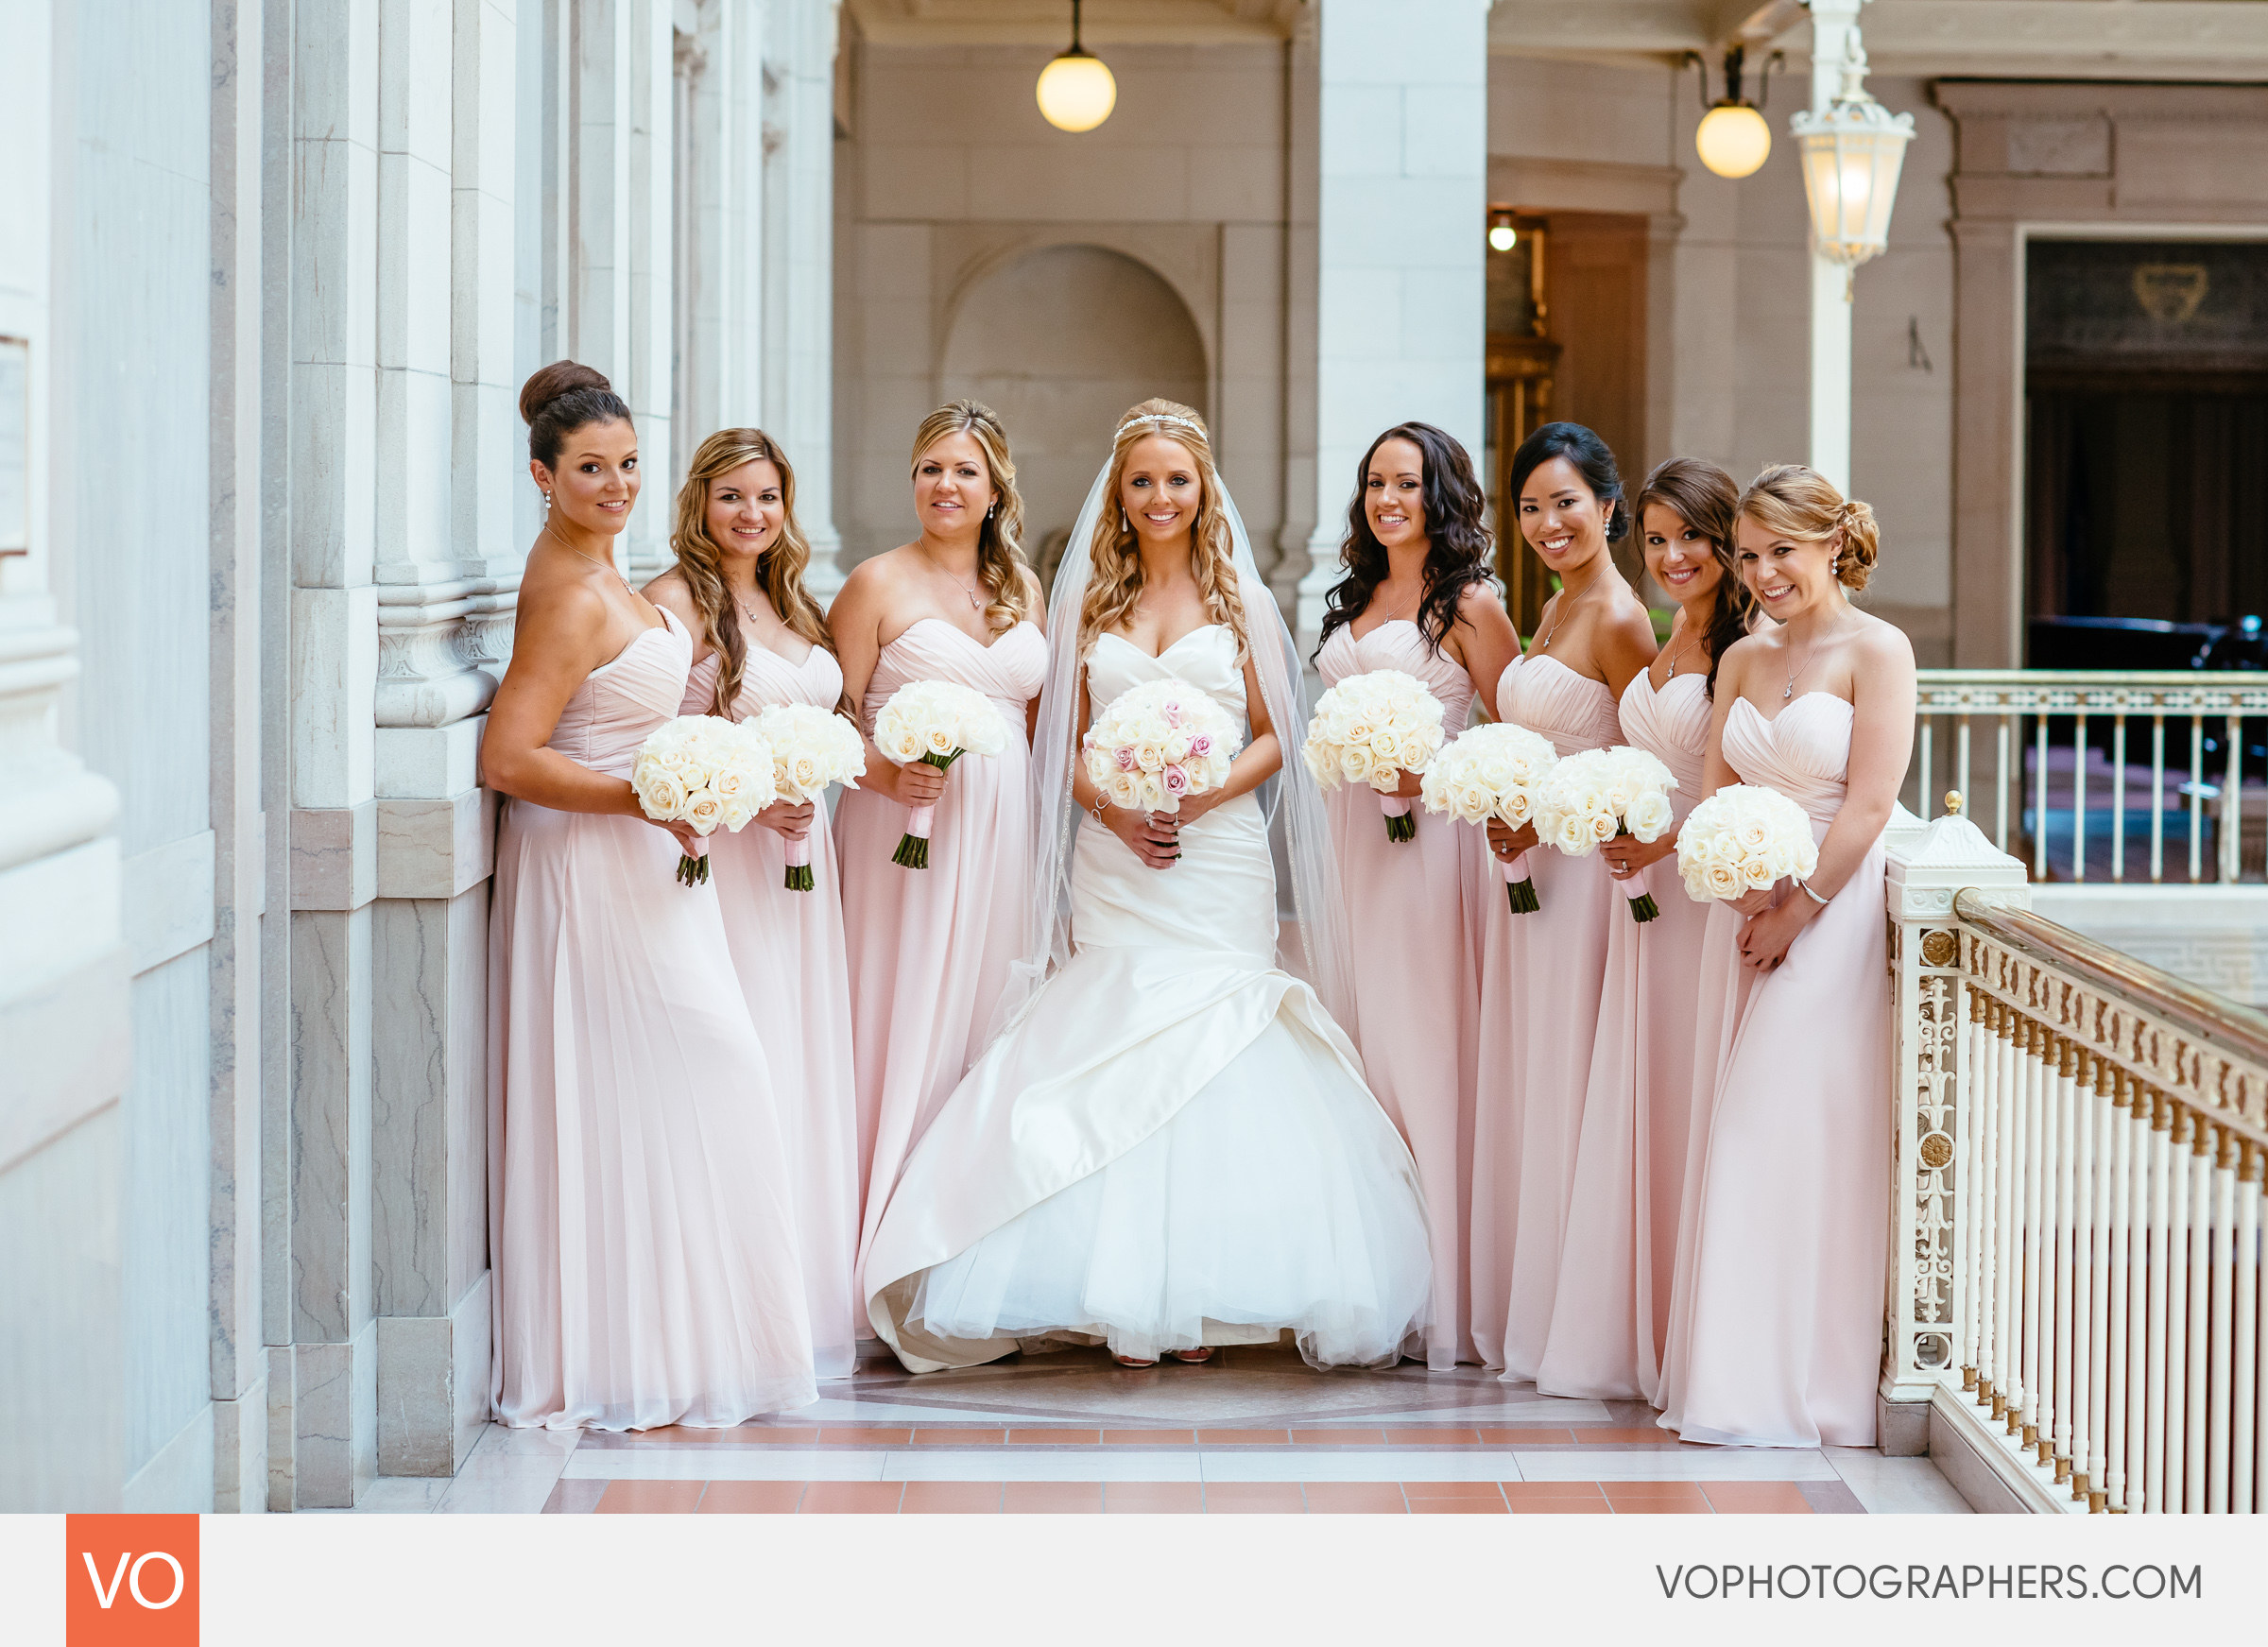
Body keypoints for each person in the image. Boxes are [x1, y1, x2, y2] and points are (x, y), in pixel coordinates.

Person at [861, 400, 1432, 1372]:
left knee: (1221, 1037)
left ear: (1203, 489)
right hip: (1117, 854)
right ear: (1118, 496)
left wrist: (1207, 795)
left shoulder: (1239, 600)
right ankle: (1108, 1291)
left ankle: (1208, 1296)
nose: (1160, 497)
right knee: (1111, 1029)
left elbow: (1275, 733)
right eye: (1141, 481)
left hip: (1218, 856)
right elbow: (1058, 743)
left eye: (1177, 479)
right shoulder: (1089, 601)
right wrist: (1116, 809)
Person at [483, 363, 816, 1428]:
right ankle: (624, 1352)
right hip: (589, 867)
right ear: (543, 476)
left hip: (655, 865)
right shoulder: (568, 594)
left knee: (680, 1092)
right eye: (591, 468)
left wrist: (718, 783)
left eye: (628, 465)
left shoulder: (609, 573)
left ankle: (664, 1351)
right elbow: (509, 757)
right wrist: (643, 796)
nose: (617, 484)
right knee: (709, 1072)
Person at [1656, 464, 1916, 1448]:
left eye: (1783, 554)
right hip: (1748, 915)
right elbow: (1717, 790)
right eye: (1751, 556)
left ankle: (1808, 1387)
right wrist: (1734, 886)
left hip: (1830, 914)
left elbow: (1871, 803)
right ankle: (1736, 1382)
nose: (1764, 574)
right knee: (1751, 1139)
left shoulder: (1877, 650)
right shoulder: (1743, 662)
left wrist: (1798, 907)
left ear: (1833, 546)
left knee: (1785, 1135)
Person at [1533, 457, 1755, 1400]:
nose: (1672, 556)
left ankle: (1698, 1331)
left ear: (1728, 543)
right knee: (1643, 1092)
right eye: (1658, 540)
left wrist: (1666, 843)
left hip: (1699, 896)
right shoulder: (1663, 641)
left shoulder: (1746, 652)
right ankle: (1639, 1324)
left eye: (1691, 538)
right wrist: (1610, 820)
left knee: (1691, 1091)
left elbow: (1744, 783)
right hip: (1642, 899)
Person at [644, 427, 861, 1381]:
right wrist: (744, 799)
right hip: (730, 862)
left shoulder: (792, 600)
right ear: (700, 503)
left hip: (805, 869)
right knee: (745, 1064)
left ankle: (799, 1295)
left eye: (767, 497)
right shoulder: (673, 606)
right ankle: (728, 1306)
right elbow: (653, 748)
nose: (751, 514)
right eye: (732, 496)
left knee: (801, 1058)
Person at [830, 402, 1048, 1302]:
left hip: (1002, 836)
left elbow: (1036, 719)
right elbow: (831, 712)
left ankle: (963, 1248)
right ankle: (876, 1242)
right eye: (929, 469)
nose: (944, 487)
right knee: (903, 1004)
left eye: (963, 471)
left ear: (995, 487)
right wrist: (884, 777)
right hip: (901, 837)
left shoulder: (1024, 589)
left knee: (983, 1013)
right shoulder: (875, 583)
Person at [1314, 422, 1519, 1370]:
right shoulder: (1355, 598)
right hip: (1357, 840)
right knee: (1361, 1044)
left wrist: (1422, 769)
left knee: (1425, 1042)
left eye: (1405, 483)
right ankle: (1374, 1271)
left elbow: (1513, 742)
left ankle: (1446, 1290)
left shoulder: (1470, 603)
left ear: (1441, 494)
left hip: (1433, 847)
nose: (1386, 500)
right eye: (1374, 484)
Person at [1470, 421, 1657, 1381]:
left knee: (1569, 1070)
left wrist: (1551, 822)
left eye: (1566, 503)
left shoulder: (1619, 617)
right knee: (1537, 1066)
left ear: (1610, 508)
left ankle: (1581, 1325)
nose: (1548, 523)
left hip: (1582, 875)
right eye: (1532, 507)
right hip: (1534, 862)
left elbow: (1643, 759)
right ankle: (1531, 1305)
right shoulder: (1552, 607)